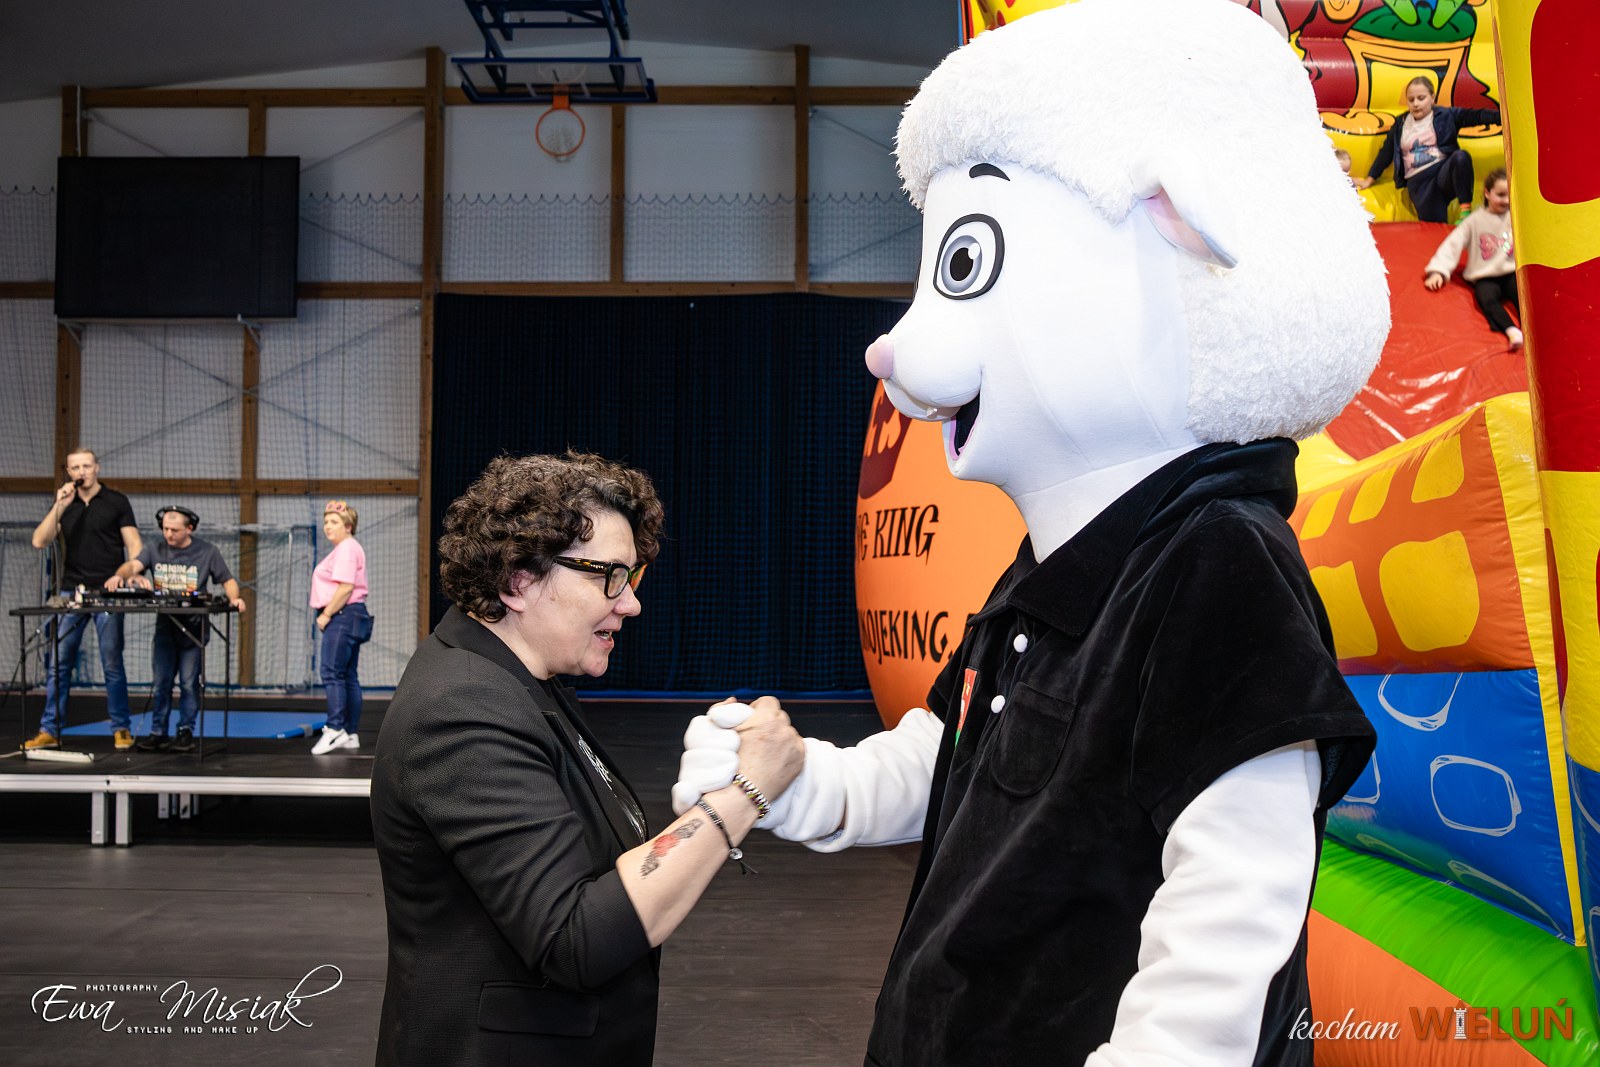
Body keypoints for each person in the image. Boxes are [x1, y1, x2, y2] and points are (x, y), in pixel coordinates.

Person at [674, 2, 1383, 1063]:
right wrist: (805, 780)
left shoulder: (1214, 562)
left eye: (965, 265)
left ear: (1177, 224)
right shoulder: (1049, 574)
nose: (888, 349)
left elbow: (1231, 912)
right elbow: (958, 756)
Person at [369, 452, 803, 1066]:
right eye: (609, 576)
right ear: (518, 581)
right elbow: (575, 939)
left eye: (633, 577)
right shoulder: (463, 707)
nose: (630, 604)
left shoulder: (520, 682)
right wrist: (744, 794)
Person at [26, 448, 141, 751]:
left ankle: (121, 728)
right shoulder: (66, 504)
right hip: (71, 593)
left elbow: (135, 546)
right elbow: (39, 540)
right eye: (75, 467)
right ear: (68, 471)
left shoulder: (116, 502)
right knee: (59, 663)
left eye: (86, 466)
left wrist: (131, 573)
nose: (81, 472)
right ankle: (50, 729)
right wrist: (59, 505)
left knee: (112, 662)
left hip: (108, 594)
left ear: (96, 468)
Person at [108, 506, 247, 753]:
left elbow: (227, 579)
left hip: (193, 628)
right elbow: (132, 566)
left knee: (189, 682)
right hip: (166, 626)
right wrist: (120, 576)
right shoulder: (154, 549)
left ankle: (185, 731)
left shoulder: (207, 551)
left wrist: (235, 599)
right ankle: (158, 732)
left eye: (174, 530)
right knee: (161, 682)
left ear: (189, 529)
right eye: (165, 529)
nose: (169, 535)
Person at [1354, 76, 1499, 223]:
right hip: (1419, 182)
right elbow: (1386, 152)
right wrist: (1370, 179)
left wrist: (1503, 117)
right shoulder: (1400, 123)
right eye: (1411, 100)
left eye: (1421, 98)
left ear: (1432, 98)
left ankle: (1465, 212)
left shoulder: (1445, 115)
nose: (1416, 104)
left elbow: (1476, 116)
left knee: (1461, 157)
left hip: (1443, 173)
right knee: (1435, 227)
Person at [1424, 167, 1521, 349]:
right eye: (1500, 195)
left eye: (1509, 195)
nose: (1506, 201)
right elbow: (1452, 244)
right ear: (1487, 193)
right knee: (1486, 299)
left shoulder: (1516, 217)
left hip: (1510, 273)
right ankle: (1510, 330)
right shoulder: (1475, 221)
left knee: (1522, 296)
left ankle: (1532, 329)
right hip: (1485, 276)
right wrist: (1438, 271)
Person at [308, 500, 371, 755]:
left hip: (342, 615)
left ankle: (335, 729)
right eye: (326, 522)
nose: (327, 526)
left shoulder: (346, 548)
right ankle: (350, 732)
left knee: (332, 673)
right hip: (353, 615)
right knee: (347, 675)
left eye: (334, 522)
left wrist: (326, 615)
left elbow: (345, 587)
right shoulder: (347, 548)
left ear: (348, 526)